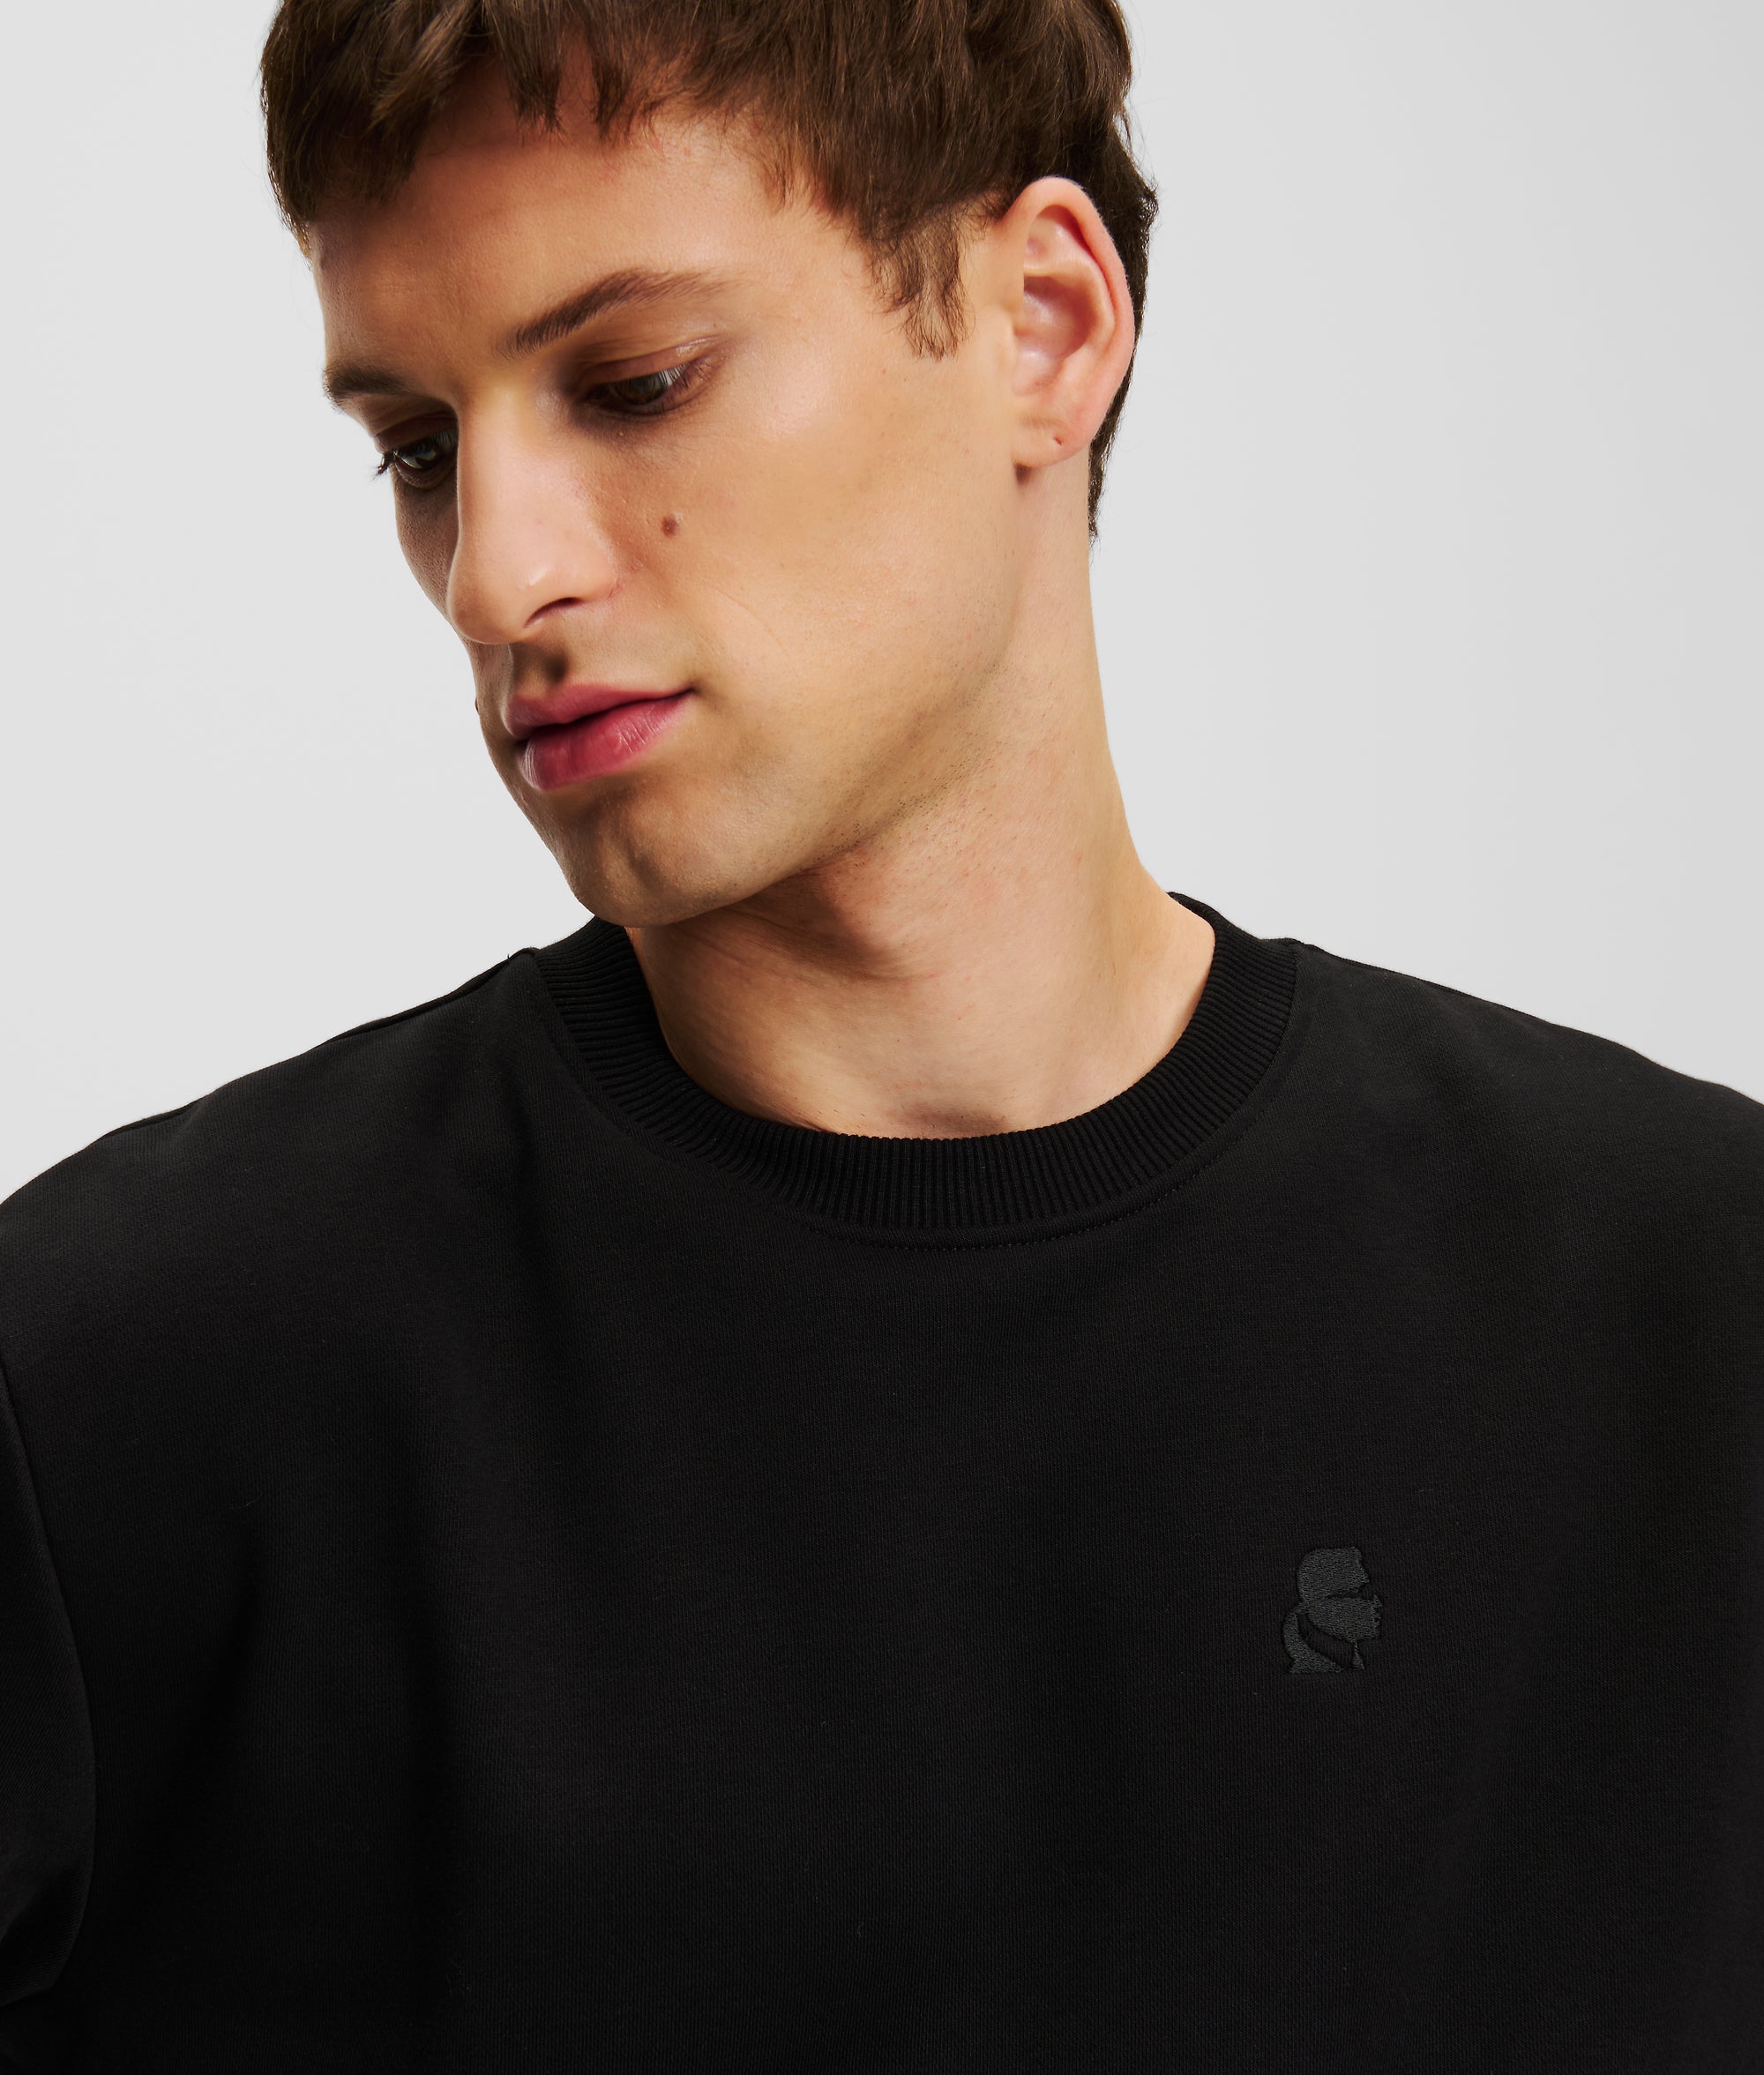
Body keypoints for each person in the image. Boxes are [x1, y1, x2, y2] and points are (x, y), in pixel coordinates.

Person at [1, 1, 1759, 2067]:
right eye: (419, 448)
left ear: (1041, 325)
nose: (495, 576)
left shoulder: (1693, 1304)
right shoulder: (111, 1388)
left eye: (634, 382)